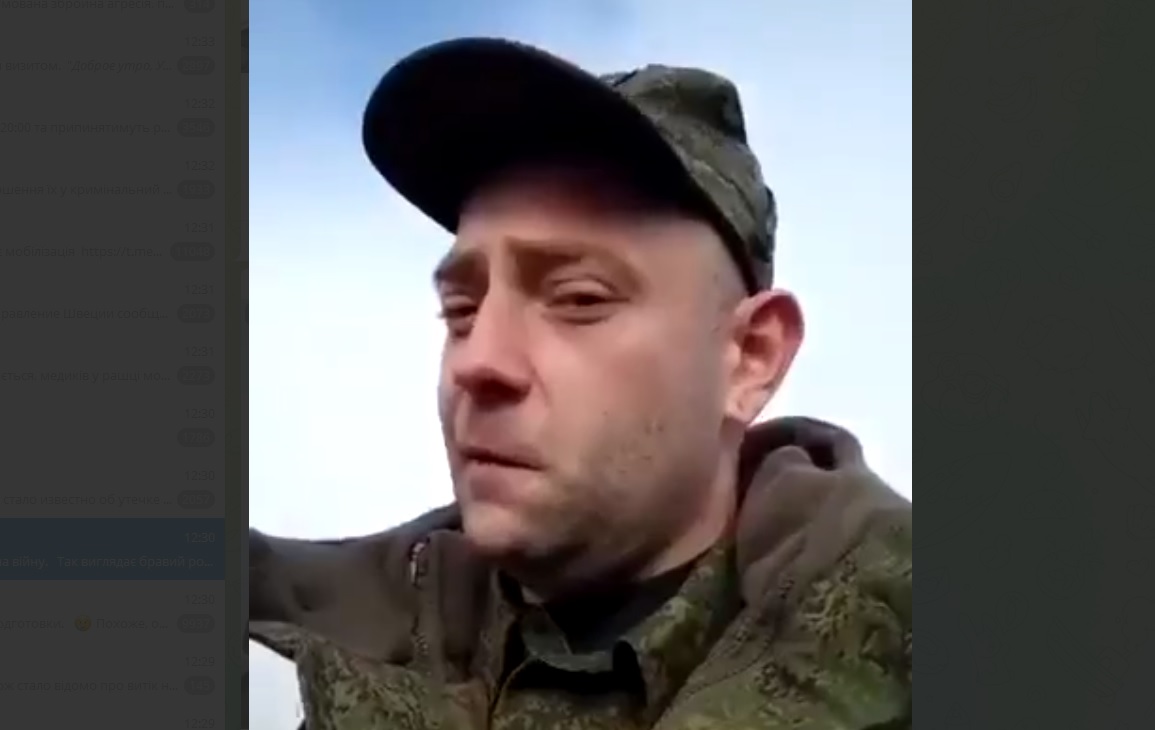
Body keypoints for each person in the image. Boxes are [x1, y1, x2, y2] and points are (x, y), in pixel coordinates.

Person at [249, 37, 912, 730]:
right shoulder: (291, 644)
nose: (478, 362)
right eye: (462, 310)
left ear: (750, 357)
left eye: (579, 299)